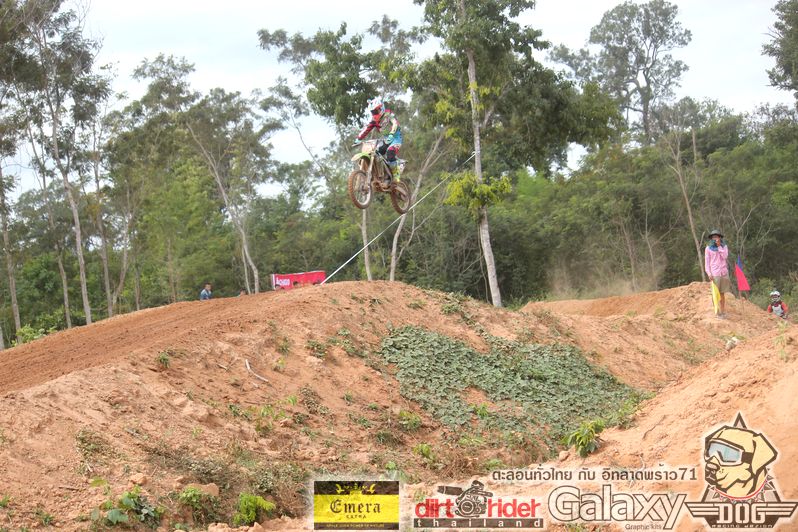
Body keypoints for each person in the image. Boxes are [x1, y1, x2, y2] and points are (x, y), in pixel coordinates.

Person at [355, 97, 402, 182]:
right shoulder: (374, 120)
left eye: (375, 111)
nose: (374, 114)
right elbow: (367, 129)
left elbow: (395, 124)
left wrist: (392, 134)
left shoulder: (389, 114)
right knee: (375, 153)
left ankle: (396, 174)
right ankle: (382, 174)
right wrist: (358, 138)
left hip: (396, 138)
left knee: (390, 153)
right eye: (372, 112)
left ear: (381, 108)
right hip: (386, 139)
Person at [704, 229, 730, 318]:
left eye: (717, 237)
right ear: (711, 238)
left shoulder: (724, 246)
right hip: (715, 273)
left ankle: (723, 311)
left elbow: (725, 256)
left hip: (724, 273)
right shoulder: (708, 248)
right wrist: (709, 273)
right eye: (713, 237)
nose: (715, 238)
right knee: (715, 294)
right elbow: (707, 262)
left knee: (722, 293)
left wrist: (719, 247)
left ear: (720, 237)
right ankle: (717, 312)